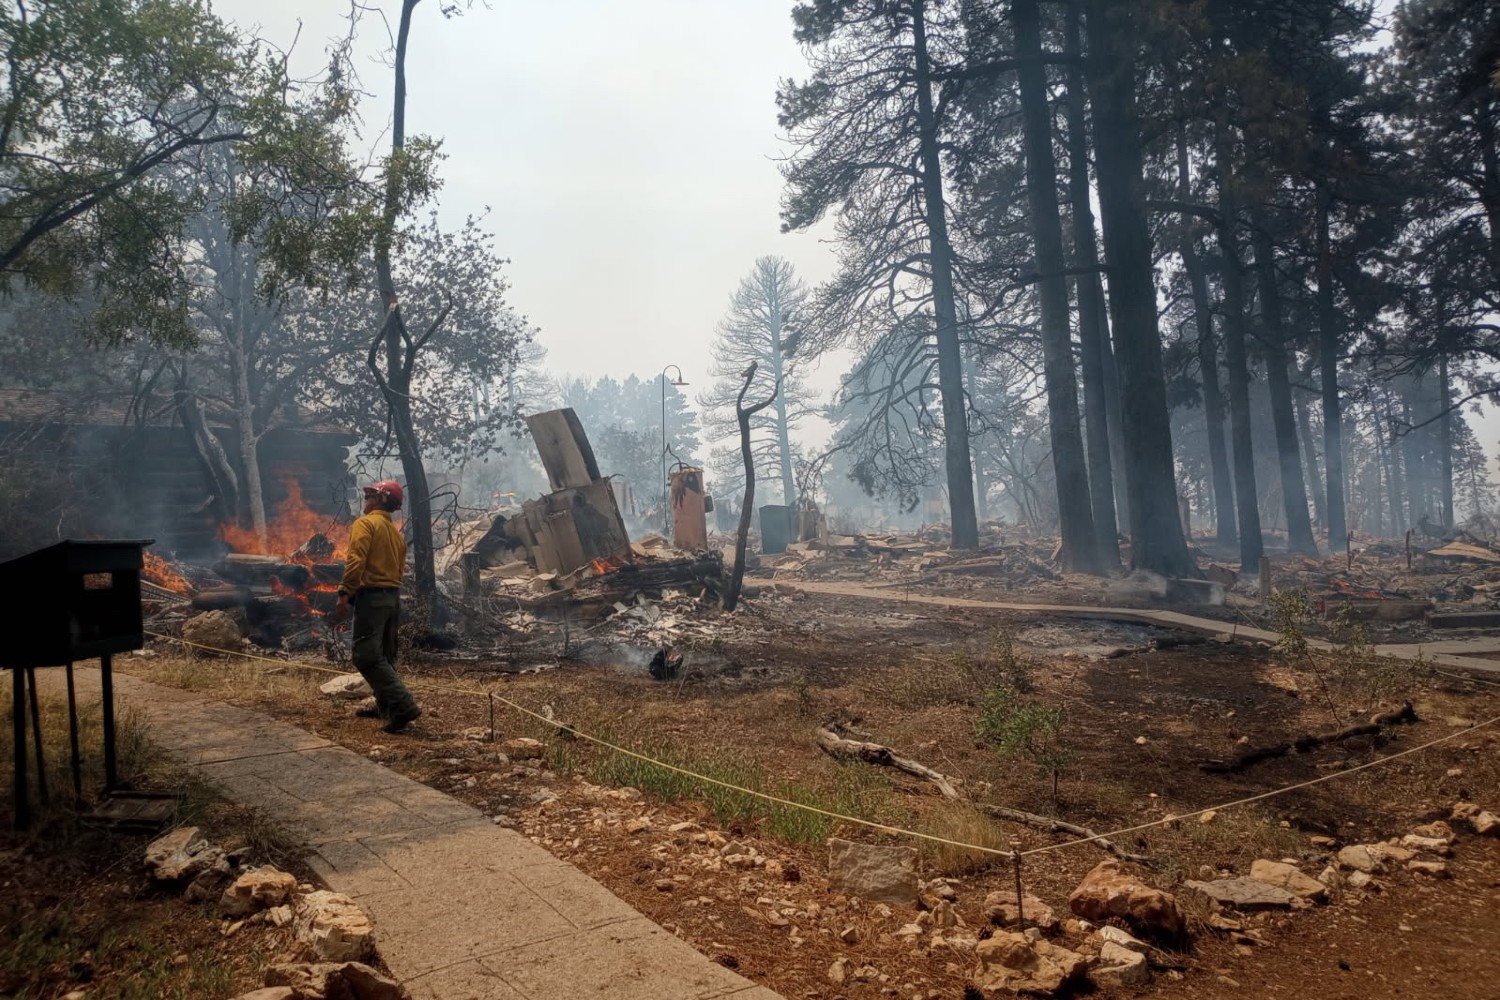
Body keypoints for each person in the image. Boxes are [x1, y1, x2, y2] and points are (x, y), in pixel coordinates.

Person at [336, 479, 422, 733]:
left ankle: (403, 705)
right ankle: (386, 706)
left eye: (372, 496)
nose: (367, 500)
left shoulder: (365, 524)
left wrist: (345, 591)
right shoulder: (396, 535)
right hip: (392, 598)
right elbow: (399, 570)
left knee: (365, 655)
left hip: (372, 598)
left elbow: (356, 561)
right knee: (385, 654)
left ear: (383, 500)